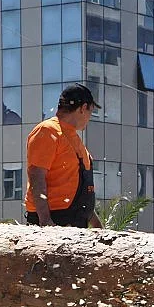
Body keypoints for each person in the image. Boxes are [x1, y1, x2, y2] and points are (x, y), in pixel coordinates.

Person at [25, 84, 103, 228]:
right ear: (82, 108)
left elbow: (81, 190)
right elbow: (36, 175)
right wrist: (46, 222)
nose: (89, 118)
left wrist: (98, 226)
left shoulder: (73, 137)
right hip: (55, 220)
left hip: (75, 222)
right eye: (90, 112)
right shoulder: (48, 131)